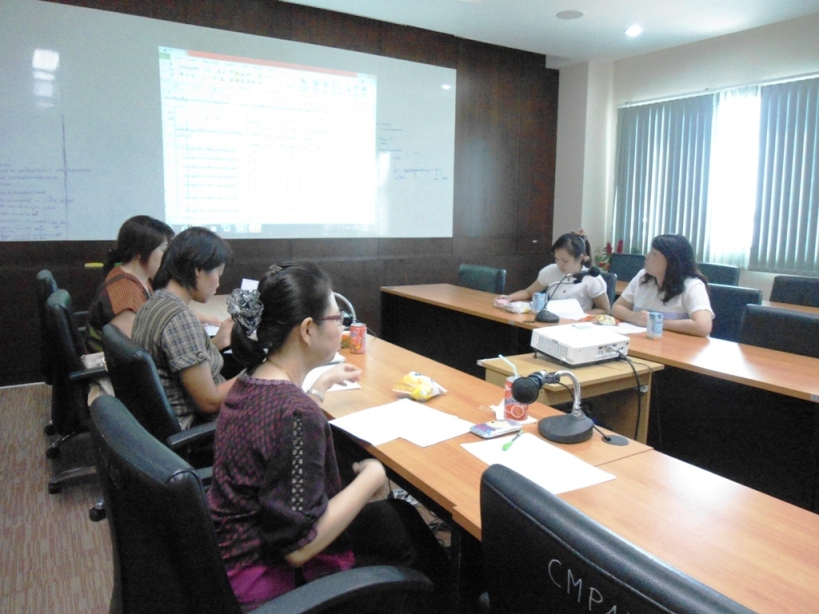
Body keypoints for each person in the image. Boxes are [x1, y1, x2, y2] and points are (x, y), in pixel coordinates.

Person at [208, 263, 449, 612]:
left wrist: (318, 388)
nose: (343, 327)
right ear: (308, 329)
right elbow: (298, 547)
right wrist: (372, 477)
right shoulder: (295, 413)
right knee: (425, 565)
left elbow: (280, 431)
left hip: (236, 552)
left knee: (400, 516)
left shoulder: (251, 381)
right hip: (271, 583)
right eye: (338, 319)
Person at [131, 226, 236, 429]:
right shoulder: (180, 319)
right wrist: (258, 374)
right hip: (196, 427)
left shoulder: (153, 303)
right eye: (218, 273)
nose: (219, 283)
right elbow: (209, 402)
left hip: (160, 423)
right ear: (198, 270)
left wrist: (215, 344)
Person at [85, 216, 174, 353]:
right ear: (140, 252)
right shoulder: (124, 292)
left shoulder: (142, 279)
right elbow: (134, 352)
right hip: (114, 364)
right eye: (163, 250)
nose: (167, 256)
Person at [611, 234, 714, 337]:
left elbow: (703, 326)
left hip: (678, 344)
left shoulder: (692, 285)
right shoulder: (642, 277)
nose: (647, 256)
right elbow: (616, 308)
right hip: (644, 341)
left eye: (654, 254)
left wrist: (656, 322)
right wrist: (635, 317)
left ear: (671, 261)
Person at [497, 230, 610, 314]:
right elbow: (528, 292)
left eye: (565, 261)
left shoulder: (591, 278)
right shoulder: (550, 271)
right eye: (557, 259)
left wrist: (580, 315)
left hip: (575, 326)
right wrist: (510, 297)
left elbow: (604, 309)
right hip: (550, 321)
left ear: (580, 258)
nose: (560, 264)